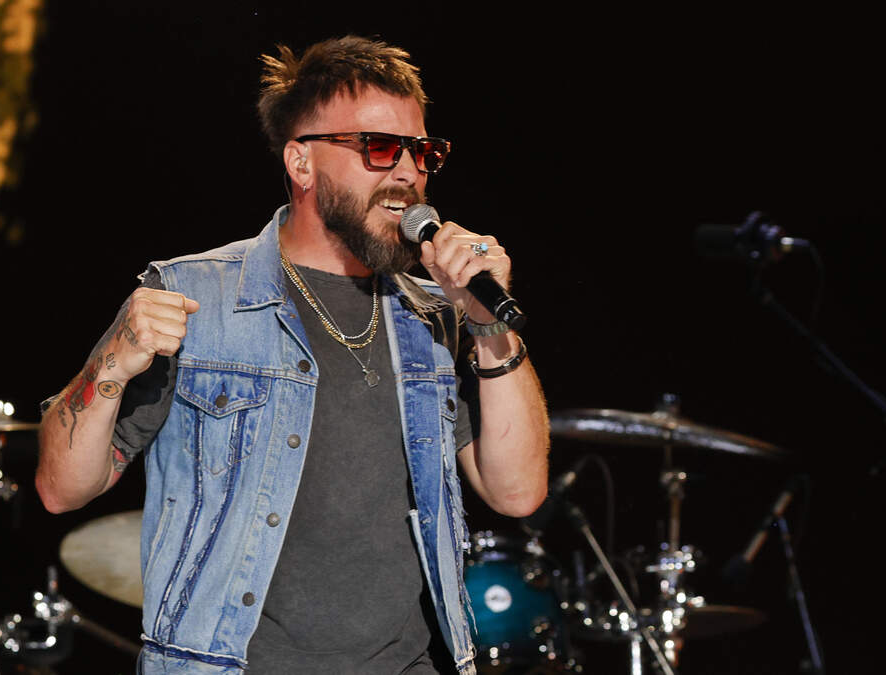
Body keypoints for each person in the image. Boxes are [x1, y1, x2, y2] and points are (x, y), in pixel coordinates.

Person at [36, 35, 550, 674]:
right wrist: (112, 362)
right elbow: (61, 489)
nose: (407, 173)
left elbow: (518, 492)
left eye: (422, 152)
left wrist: (488, 323)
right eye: (379, 147)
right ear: (301, 162)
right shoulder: (196, 298)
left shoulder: (435, 317)